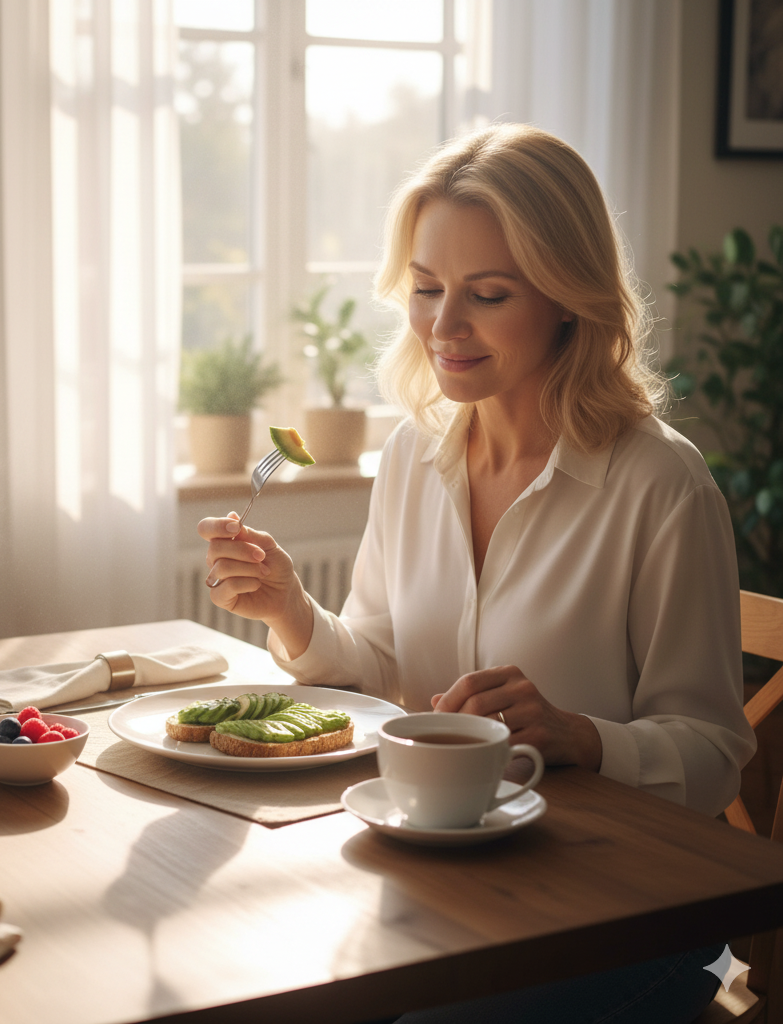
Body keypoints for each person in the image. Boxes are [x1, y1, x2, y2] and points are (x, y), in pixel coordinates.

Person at [198, 124, 755, 1022]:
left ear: (569, 299)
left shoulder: (659, 483)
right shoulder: (414, 455)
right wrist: (295, 613)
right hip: (442, 880)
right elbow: (383, 661)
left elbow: (715, 757)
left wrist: (583, 736)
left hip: (617, 915)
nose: (442, 327)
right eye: (425, 290)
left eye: (487, 295)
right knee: (249, 967)